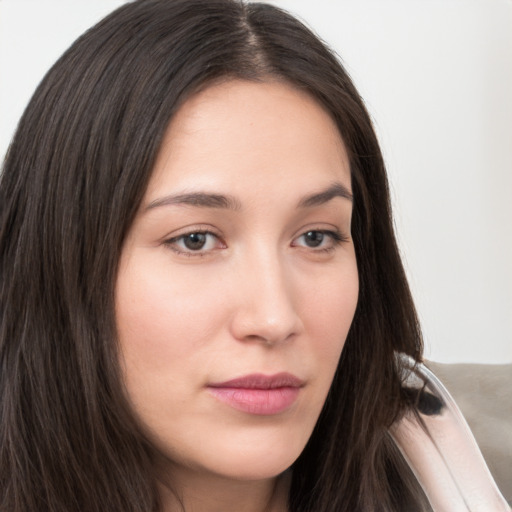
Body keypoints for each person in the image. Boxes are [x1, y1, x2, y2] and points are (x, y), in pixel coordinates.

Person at [0, 1, 427, 510]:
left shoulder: (474, 472)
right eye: (195, 239)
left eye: (315, 237)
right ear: (60, 260)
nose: (274, 318)